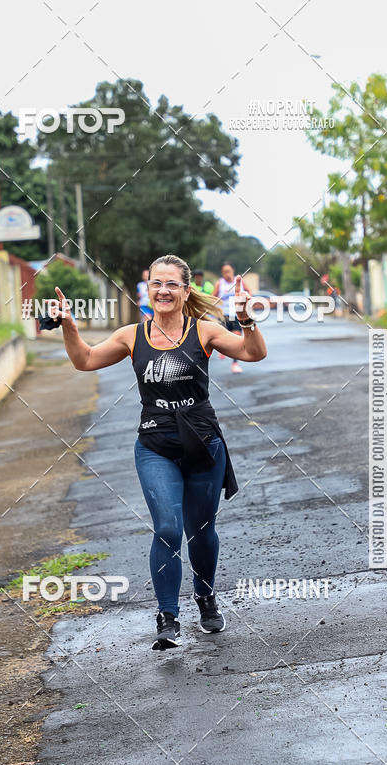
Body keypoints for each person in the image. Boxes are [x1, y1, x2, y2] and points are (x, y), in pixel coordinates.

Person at [53, 253, 267, 650]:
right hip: (155, 444)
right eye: (156, 283)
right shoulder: (131, 336)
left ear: (186, 291)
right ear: (146, 289)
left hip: (203, 443)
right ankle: (167, 617)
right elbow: (83, 360)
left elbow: (253, 353)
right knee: (167, 528)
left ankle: (205, 597)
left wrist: (247, 319)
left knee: (200, 532)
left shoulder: (205, 330)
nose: (163, 290)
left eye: (171, 284)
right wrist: (68, 325)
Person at [213, 262, 253, 374]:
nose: (227, 274)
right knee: (222, 336)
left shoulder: (238, 281)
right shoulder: (219, 283)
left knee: (237, 337)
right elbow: (212, 297)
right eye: (225, 272)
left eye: (229, 271)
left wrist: (246, 298)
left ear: (233, 271)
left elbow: (249, 292)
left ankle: (235, 364)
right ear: (222, 273)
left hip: (236, 314)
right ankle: (223, 350)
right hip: (223, 314)